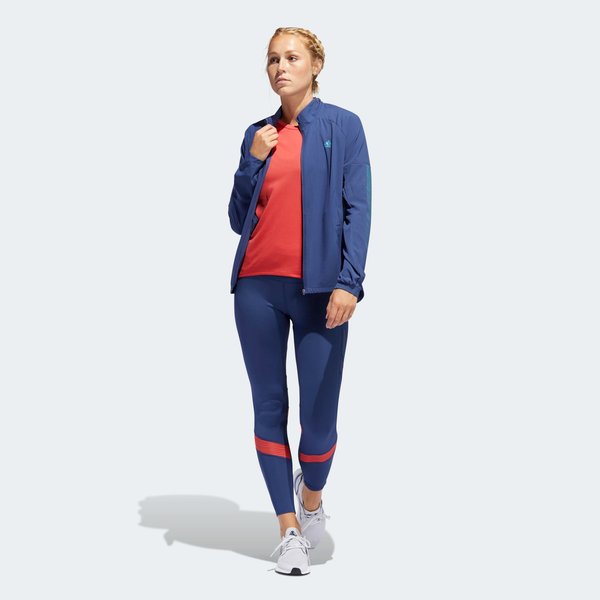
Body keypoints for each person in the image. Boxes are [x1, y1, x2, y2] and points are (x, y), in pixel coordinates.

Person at [227, 27, 372, 576]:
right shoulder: (258, 133)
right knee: (269, 406)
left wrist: (349, 282)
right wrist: (251, 160)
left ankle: (311, 499)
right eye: (272, 59)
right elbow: (238, 218)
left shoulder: (343, 126)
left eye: (291, 57)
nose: (280, 67)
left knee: (319, 417)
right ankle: (288, 530)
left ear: (316, 65)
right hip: (256, 287)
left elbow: (359, 207)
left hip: (321, 291)